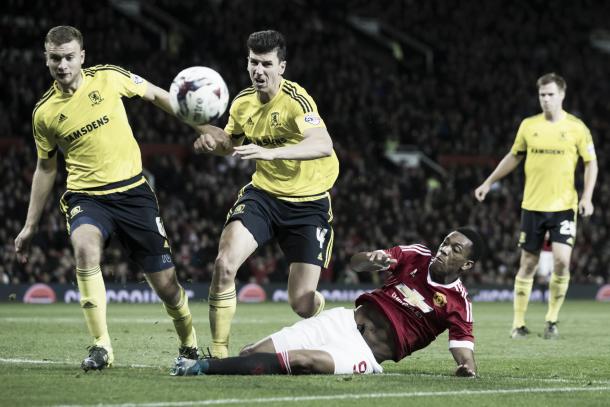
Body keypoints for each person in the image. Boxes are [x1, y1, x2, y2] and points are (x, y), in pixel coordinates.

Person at [14, 25, 200, 371]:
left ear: (82, 57)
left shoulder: (110, 77)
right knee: (85, 249)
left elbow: (159, 95)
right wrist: (29, 225)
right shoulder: (45, 113)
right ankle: (101, 346)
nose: (63, 65)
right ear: (46, 59)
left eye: (69, 57)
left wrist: (202, 127)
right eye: (55, 58)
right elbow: (46, 168)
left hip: (133, 193)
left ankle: (189, 343)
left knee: (168, 287)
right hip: (87, 196)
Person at [193, 30, 339, 358]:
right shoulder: (242, 102)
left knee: (301, 303)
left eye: (266, 64)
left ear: (281, 67)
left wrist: (271, 153)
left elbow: (323, 143)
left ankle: (323, 310)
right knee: (224, 264)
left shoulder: (296, 100)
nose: (258, 70)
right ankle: (218, 353)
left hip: (308, 203)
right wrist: (210, 145)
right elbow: (229, 145)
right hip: (264, 196)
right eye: (253, 63)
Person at [170, 228, 482, 377]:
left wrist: (466, 369)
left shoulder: (458, 303)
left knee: (305, 361)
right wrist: (371, 260)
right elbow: (358, 263)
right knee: (251, 354)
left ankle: (202, 367)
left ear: (466, 265)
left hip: (363, 353)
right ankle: (218, 368)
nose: (445, 250)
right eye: (445, 243)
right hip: (343, 320)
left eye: (456, 250)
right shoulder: (415, 254)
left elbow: (463, 353)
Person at [474, 73, 598, 340]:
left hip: (564, 206)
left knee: (562, 262)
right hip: (532, 206)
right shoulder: (529, 126)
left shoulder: (577, 128)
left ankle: (551, 319)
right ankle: (518, 324)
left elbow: (591, 163)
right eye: (542, 95)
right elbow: (513, 156)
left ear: (562, 95)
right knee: (528, 265)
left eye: (551, 94)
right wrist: (488, 182)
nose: (546, 99)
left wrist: (587, 197)